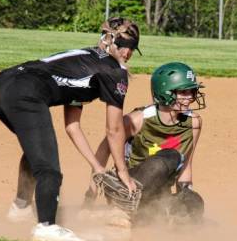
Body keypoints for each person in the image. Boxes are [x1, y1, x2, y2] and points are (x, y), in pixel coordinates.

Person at [0, 17, 141, 241]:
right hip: (24, 93)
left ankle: (20, 207)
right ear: (110, 40)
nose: (127, 53)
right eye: (124, 45)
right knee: (49, 168)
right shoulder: (114, 72)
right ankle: (47, 227)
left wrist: (98, 168)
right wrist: (123, 172)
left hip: (1, 85)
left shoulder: (86, 59)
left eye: (132, 48)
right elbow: (114, 129)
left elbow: (73, 127)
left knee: (36, 150)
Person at [85, 62, 206, 227]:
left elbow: (186, 164)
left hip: (157, 195)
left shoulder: (193, 123)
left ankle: (149, 215)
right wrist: (89, 196)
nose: (190, 97)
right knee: (169, 157)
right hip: (127, 187)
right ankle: (119, 210)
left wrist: (185, 196)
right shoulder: (139, 119)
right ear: (165, 92)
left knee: (194, 203)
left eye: (192, 92)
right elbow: (106, 146)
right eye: (183, 92)